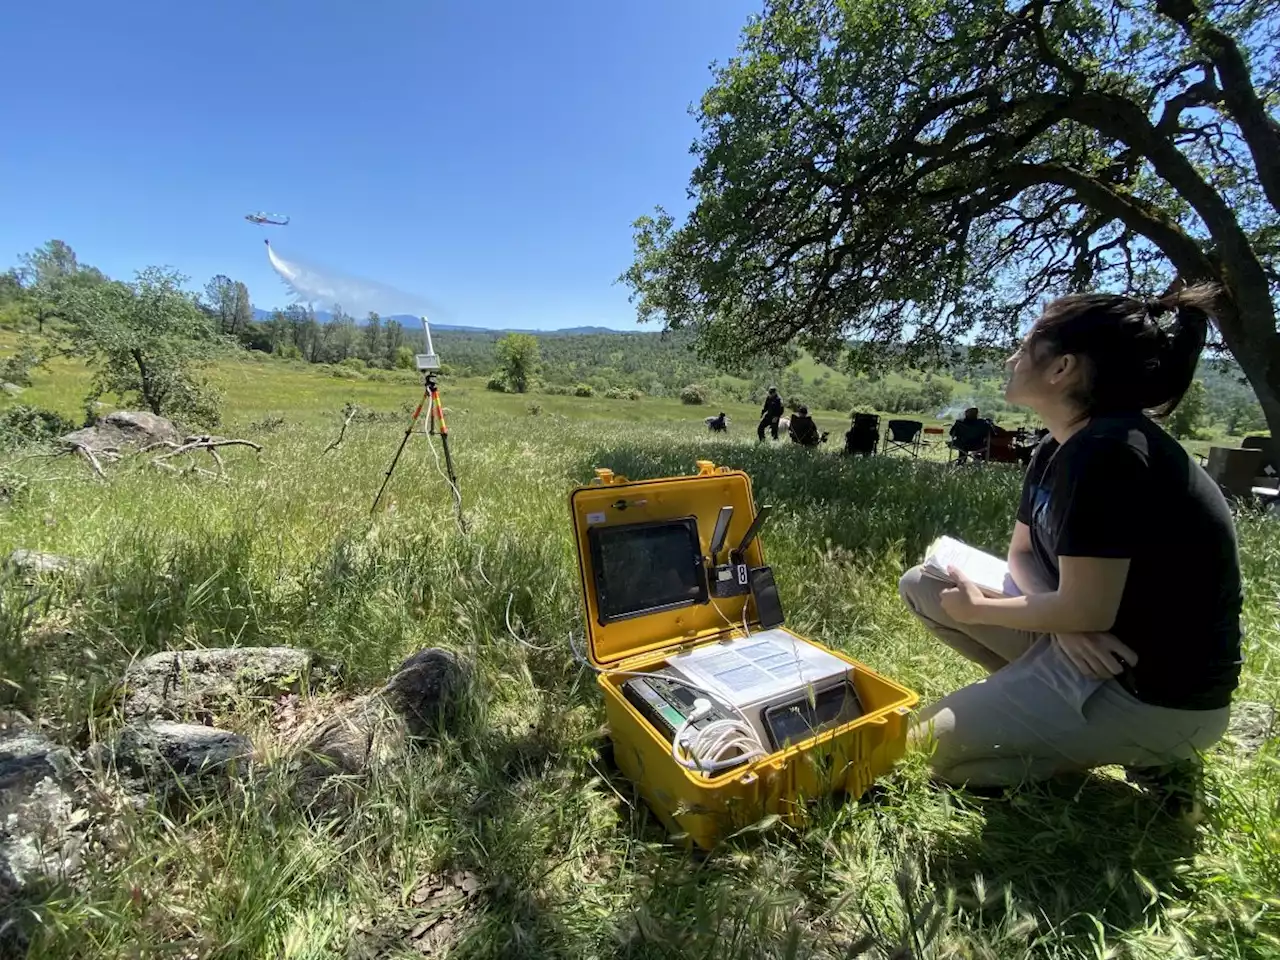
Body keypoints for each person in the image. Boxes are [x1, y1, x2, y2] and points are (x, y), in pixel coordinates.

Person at [899, 285, 1243, 805]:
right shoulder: (1060, 446)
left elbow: (1086, 604)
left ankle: (1154, 758)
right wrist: (1071, 625)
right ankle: (1043, 711)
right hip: (1098, 646)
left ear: (1063, 368)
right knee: (924, 584)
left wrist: (994, 611)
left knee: (916, 749)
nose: (1013, 356)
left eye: (1027, 344)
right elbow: (1021, 555)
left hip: (1153, 692)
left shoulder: (1109, 453)